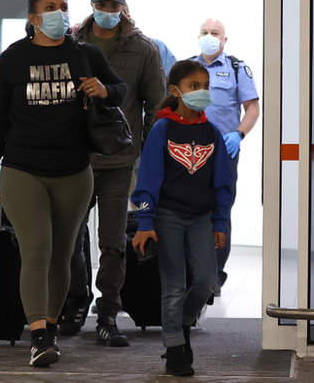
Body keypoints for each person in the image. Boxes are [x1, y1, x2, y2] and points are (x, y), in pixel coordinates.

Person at [0, 0, 127, 367]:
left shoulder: (85, 54)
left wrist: (105, 89)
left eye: (62, 6)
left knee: (64, 255)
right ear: (33, 18)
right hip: (22, 169)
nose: (58, 13)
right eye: (49, 7)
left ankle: (52, 327)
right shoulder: (13, 58)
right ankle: (38, 334)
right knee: (37, 250)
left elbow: (121, 92)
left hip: (74, 171)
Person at [63, 0, 165, 345]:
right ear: (92, 4)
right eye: (101, 4)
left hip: (119, 161)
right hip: (75, 159)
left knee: (113, 241)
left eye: (113, 5)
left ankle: (108, 313)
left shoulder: (142, 49)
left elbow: (155, 109)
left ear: (124, 7)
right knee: (71, 240)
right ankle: (75, 303)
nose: (107, 11)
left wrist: (153, 162)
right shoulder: (70, 42)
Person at [131, 59, 234, 377]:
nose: (201, 91)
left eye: (205, 86)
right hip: (167, 217)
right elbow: (147, 179)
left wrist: (220, 222)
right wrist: (146, 223)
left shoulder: (211, 132)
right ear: (175, 91)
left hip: (201, 218)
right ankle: (175, 347)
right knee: (173, 285)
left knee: (206, 281)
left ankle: (184, 325)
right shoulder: (163, 129)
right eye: (194, 86)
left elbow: (223, 183)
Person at [193, 19, 259, 296]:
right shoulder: (188, 68)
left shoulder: (236, 68)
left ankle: (215, 277)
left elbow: (253, 109)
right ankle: (194, 272)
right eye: (205, 33)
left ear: (224, 39)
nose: (210, 37)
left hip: (224, 151)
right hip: (190, 151)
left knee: (220, 211)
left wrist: (239, 135)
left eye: (215, 33)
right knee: (191, 210)